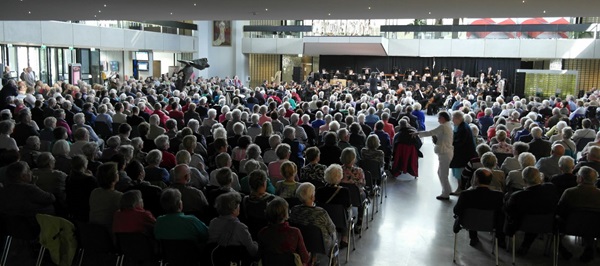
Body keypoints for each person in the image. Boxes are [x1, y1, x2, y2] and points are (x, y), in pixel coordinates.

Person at [504, 166, 558, 255]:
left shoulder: (517, 196)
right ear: (540, 177)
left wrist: (507, 199)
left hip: (521, 225)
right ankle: (525, 245)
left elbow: (508, 210)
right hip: (547, 224)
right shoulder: (550, 188)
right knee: (535, 217)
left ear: (524, 181)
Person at [556, 166, 600, 262]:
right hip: (595, 228)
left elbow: (559, 210)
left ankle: (560, 248)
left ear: (580, 178)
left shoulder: (569, 192)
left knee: (555, 221)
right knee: (590, 220)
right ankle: (589, 247)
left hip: (569, 226)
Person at [453, 168, 505, 248]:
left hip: (468, 223)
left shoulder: (466, 194)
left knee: (472, 215)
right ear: (490, 181)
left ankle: (473, 237)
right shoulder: (498, 196)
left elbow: (456, 210)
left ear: (476, 179)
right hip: (491, 224)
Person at [258, 198, 310, 265]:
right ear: (286, 213)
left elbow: (259, 255)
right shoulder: (295, 232)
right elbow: (305, 258)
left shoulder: (262, 233)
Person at [289, 183, 337, 253]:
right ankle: (334, 261)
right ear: (312, 197)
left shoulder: (294, 210)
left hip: (300, 242)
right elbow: (332, 229)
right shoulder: (320, 212)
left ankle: (313, 257)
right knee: (334, 236)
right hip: (321, 244)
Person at [208, 192, 259, 259]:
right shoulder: (241, 228)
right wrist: (256, 243)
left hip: (216, 260)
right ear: (233, 210)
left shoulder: (213, 222)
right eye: (238, 205)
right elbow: (253, 252)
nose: (239, 207)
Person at [417, 111, 454, 200]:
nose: (438, 120)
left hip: (445, 152)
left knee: (443, 173)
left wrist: (418, 133)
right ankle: (447, 189)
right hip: (446, 151)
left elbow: (431, 132)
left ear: (443, 118)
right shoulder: (448, 125)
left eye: (439, 118)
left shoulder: (443, 126)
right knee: (441, 172)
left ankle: (445, 193)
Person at [315, 164, 351, 248]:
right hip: (340, 220)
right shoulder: (345, 191)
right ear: (340, 177)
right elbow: (348, 205)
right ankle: (344, 238)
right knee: (346, 211)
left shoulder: (320, 190)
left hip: (324, 220)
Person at [449, 111, 478, 195]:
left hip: (463, 154)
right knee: (458, 172)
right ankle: (459, 188)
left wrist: (450, 144)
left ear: (458, 118)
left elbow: (460, 142)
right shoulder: (461, 126)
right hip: (462, 152)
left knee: (460, 172)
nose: (452, 120)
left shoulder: (463, 128)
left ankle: (460, 189)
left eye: (453, 118)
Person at [89, 162, 123, 228]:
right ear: (112, 176)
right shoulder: (119, 196)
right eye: (116, 172)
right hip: (109, 232)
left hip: (92, 231)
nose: (118, 173)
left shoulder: (94, 192)